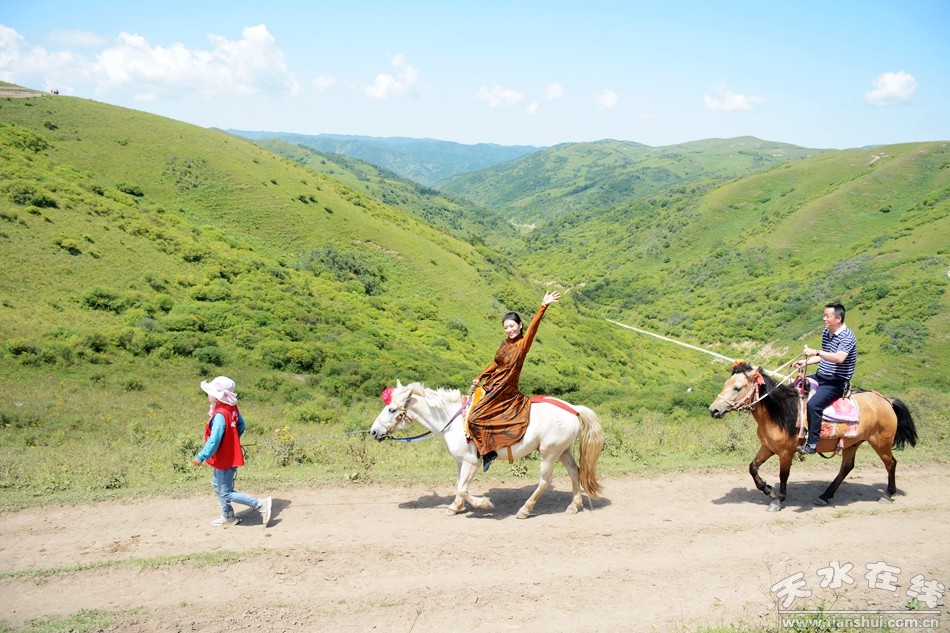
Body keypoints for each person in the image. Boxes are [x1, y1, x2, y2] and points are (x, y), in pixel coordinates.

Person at [467, 291, 561, 471]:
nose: (509, 330)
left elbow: (533, 328)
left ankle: (489, 452)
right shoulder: (505, 343)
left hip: (505, 390)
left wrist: (543, 306)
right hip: (493, 385)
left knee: (474, 418)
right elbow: (496, 363)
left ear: (520, 325)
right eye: (506, 327)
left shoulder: (522, 345)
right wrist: (481, 375)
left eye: (512, 326)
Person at [193, 376, 273, 527]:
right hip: (228, 454)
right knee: (217, 485)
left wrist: (201, 456)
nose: (208, 395)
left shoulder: (220, 414)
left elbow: (214, 440)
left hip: (225, 458)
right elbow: (241, 424)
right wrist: (233, 440)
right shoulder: (231, 407)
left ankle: (260, 504)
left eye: (210, 392)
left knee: (226, 492)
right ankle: (228, 516)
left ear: (217, 396)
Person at [792, 302, 858, 454]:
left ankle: (812, 443)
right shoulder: (826, 332)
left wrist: (816, 352)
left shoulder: (847, 337)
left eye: (827, 316)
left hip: (836, 381)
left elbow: (839, 358)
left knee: (814, 405)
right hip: (821, 376)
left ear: (838, 318)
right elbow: (824, 356)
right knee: (793, 389)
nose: (824, 319)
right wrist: (806, 362)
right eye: (824, 316)